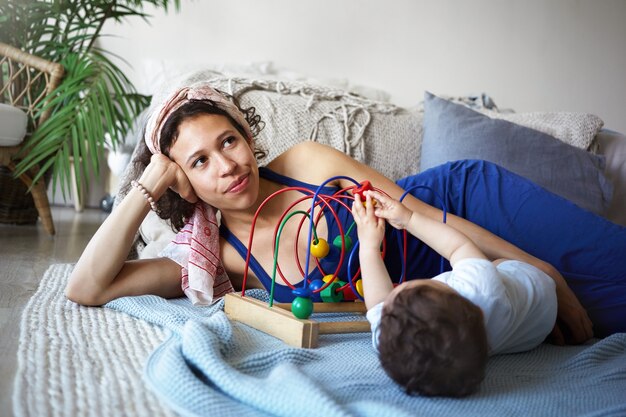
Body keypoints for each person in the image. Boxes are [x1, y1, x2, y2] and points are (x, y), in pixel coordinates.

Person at [66, 82, 626, 345]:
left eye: (229, 140)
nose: (227, 164)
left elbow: (430, 215)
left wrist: (544, 269)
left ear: (245, 136)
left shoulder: (305, 161)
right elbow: (86, 289)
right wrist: (146, 186)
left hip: (470, 209)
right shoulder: (215, 262)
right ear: (183, 183)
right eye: (200, 161)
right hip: (471, 286)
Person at [351, 190, 558, 396]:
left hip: (536, 331)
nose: (394, 293)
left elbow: (378, 302)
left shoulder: (391, 340)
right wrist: (408, 218)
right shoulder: (480, 287)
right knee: (494, 265)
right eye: (415, 287)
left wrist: (368, 245)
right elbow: (458, 246)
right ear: (465, 301)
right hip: (536, 287)